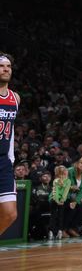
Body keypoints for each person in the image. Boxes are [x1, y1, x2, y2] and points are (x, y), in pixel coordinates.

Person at [0, 53, 20, 236]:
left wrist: (11, 158)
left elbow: (11, 130)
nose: (6, 69)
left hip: (3, 161)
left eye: (8, 66)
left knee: (10, 214)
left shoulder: (15, 98)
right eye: (1, 66)